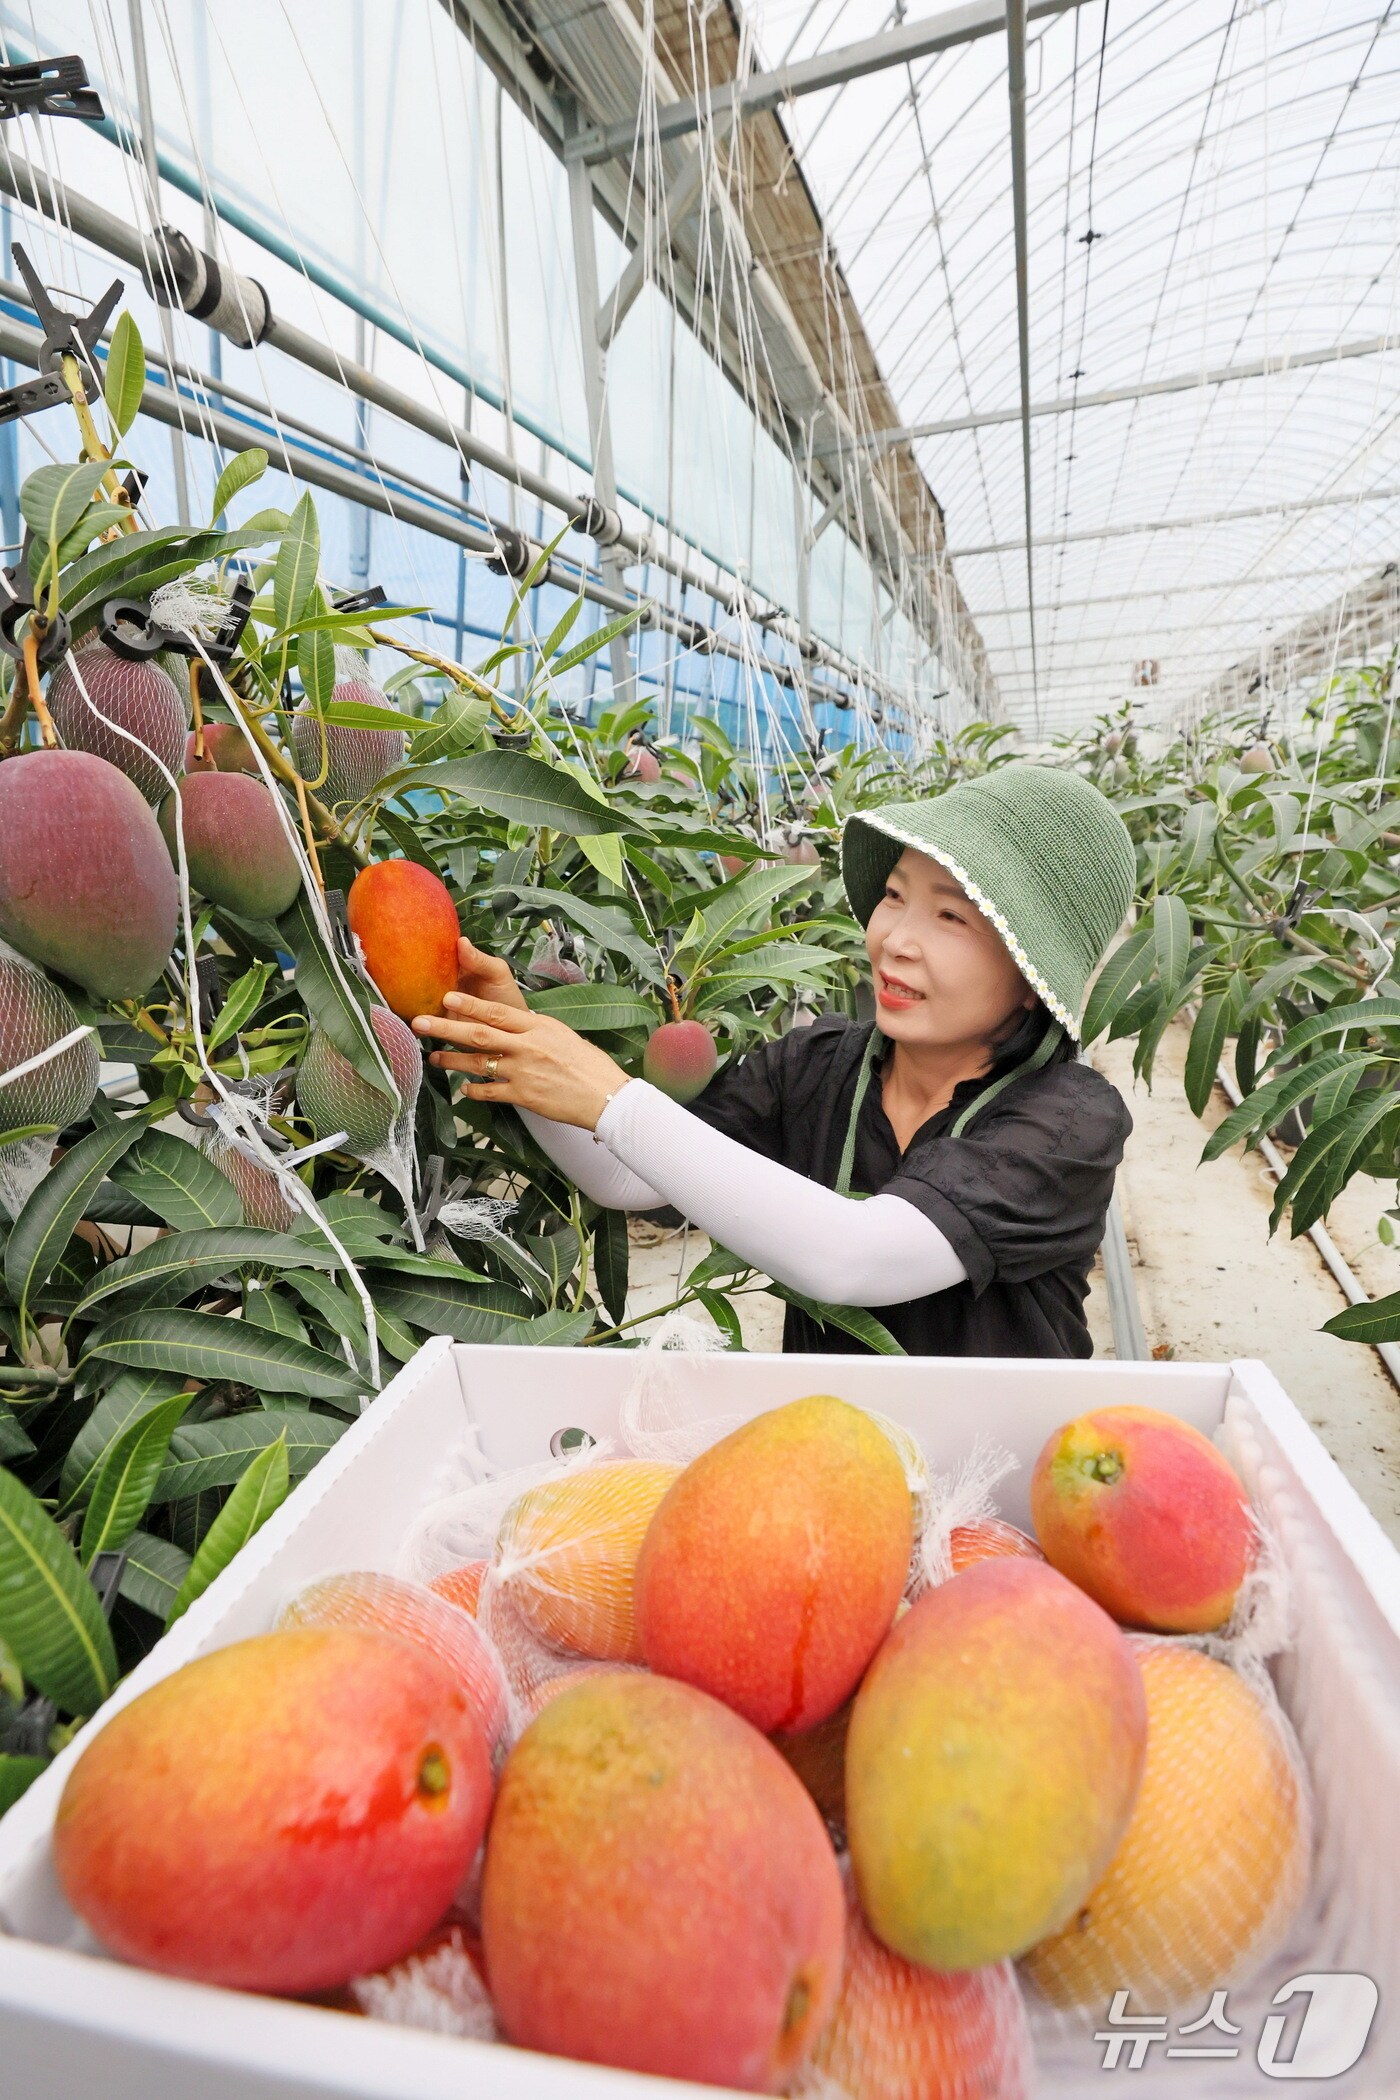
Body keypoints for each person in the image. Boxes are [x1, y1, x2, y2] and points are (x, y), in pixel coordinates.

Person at [413, 763, 1136, 1358]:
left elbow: (851, 1256)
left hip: (996, 1494)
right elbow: (623, 1173)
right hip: (827, 1471)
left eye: (950, 916)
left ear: (1032, 971)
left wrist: (613, 1094)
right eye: (894, 896)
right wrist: (511, 1037)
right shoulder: (819, 1065)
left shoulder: (1066, 1122)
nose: (895, 940)